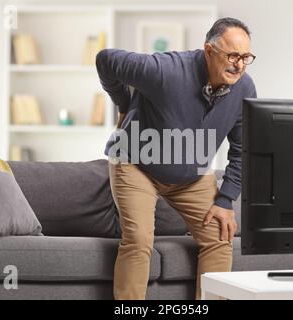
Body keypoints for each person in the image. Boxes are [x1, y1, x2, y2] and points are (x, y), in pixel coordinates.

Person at [96, 17, 257, 300]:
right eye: (232, 55)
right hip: (136, 164)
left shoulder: (244, 89)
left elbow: (243, 149)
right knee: (139, 240)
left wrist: (225, 199)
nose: (239, 65)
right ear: (209, 51)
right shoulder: (165, 70)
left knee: (221, 238)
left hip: (191, 176)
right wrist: (123, 103)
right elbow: (105, 59)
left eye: (246, 57)